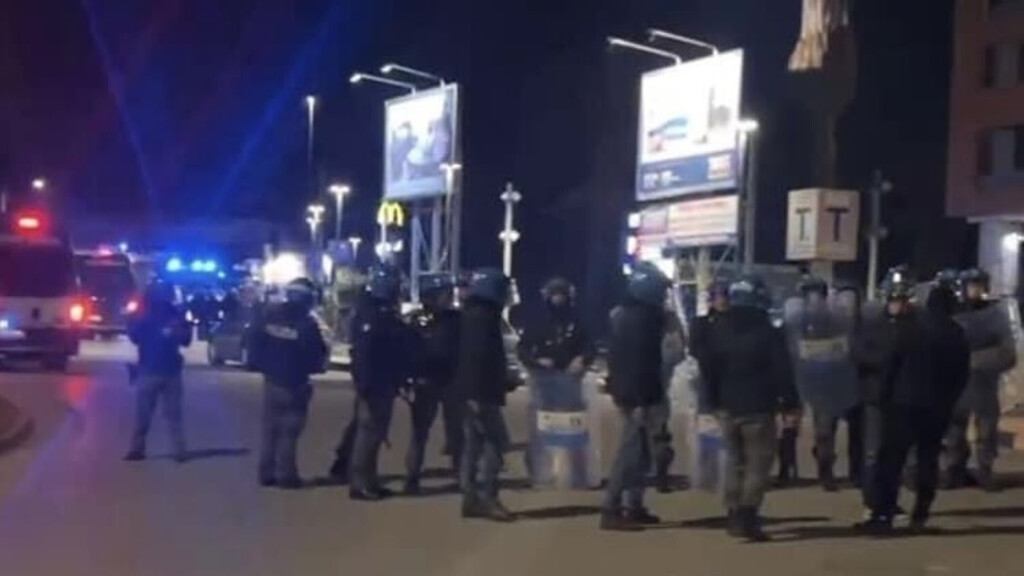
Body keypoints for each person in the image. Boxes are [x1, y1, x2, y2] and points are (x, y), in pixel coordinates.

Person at [857, 281, 970, 533]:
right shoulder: (956, 333)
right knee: (928, 460)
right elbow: (961, 373)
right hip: (937, 407)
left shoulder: (911, 328)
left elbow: (891, 364)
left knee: (892, 460)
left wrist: (883, 396)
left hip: (902, 404)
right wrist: (950, 400)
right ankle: (920, 514)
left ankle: (883, 514)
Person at [705, 276, 799, 542]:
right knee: (758, 464)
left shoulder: (718, 330)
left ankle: (733, 512)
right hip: (758, 408)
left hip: (727, 407)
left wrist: (712, 401)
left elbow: (708, 370)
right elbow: (782, 371)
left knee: (734, 461)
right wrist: (790, 403)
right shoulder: (768, 332)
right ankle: (747, 515)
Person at [600, 262, 672, 531]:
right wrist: (641, 400)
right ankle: (611, 508)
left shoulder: (626, 315)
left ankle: (634, 505)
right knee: (630, 454)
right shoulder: (642, 320)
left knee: (641, 454)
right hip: (638, 396)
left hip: (632, 393)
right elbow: (640, 364)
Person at [250, 278, 329, 489]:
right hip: (295, 383)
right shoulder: (306, 323)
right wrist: (313, 367)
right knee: (289, 431)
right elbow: (316, 354)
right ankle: (286, 475)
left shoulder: (269, 315)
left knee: (270, 429)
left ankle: (266, 473)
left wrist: (265, 365)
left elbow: (254, 342)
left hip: (272, 381)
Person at [943, 268, 1016, 491]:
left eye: (979, 286)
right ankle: (954, 470)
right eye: (971, 286)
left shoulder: (995, 315)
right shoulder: (952, 315)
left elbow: (1007, 352)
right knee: (954, 430)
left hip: (984, 384)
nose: (975, 290)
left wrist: (976, 360)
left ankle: (985, 470)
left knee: (986, 430)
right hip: (955, 384)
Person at [785, 275, 861, 492]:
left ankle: (826, 463)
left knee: (829, 427)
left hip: (834, 381)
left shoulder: (837, 319)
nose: (814, 299)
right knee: (825, 428)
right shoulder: (799, 321)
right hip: (818, 383)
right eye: (811, 294)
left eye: (817, 294)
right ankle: (825, 466)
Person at [518, 277, 595, 485]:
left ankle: (575, 474)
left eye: (562, 294)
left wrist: (582, 359)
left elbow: (590, 347)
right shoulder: (537, 322)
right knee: (541, 431)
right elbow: (522, 350)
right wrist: (537, 362)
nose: (558, 299)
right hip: (543, 385)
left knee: (572, 431)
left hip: (570, 385)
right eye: (554, 294)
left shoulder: (577, 321)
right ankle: (540, 472)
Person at [348, 265, 413, 501]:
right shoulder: (372, 315)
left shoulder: (381, 312)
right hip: (374, 385)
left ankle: (370, 481)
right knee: (368, 435)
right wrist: (365, 385)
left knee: (375, 435)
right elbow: (365, 355)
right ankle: (360, 484)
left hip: (383, 384)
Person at [455, 268, 516, 522]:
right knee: (496, 443)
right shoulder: (483, 318)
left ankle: (470, 498)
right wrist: (476, 396)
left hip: (476, 393)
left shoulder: (474, 314)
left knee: (473, 446)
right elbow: (476, 359)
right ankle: (487, 498)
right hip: (482, 395)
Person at [403, 273, 463, 495]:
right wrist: (409, 379)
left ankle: (461, 476)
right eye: (444, 293)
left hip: (451, 382)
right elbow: (407, 352)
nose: (449, 297)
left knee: (456, 432)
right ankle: (412, 478)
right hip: (427, 382)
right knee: (420, 433)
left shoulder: (455, 319)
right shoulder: (417, 320)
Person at [124, 279, 192, 463]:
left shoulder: (144, 315)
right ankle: (179, 451)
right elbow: (186, 340)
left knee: (143, 414)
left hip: (149, 368)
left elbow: (134, 336)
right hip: (171, 370)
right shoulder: (177, 315)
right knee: (174, 415)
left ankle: (137, 449)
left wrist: (131, 320)